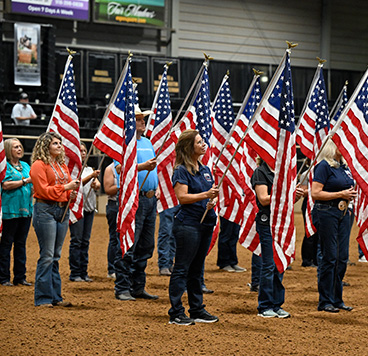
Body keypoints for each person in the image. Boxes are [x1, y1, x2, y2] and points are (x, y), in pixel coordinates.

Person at [168, 129, 219, 326]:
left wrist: (210, 201)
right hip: (188, 224)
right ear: (189, 147)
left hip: (204, 222)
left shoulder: (205, 170)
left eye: (202, 141)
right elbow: (182, 197)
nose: (203, 144)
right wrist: (205, 196)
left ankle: (197, 309)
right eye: (199, 142)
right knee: (182, 268)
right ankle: (176, 312)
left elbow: (203, 195)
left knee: (197, 269)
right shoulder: (181, 170)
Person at [114, 105, 159, 301]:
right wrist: (142, 166)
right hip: (134, 199)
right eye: (139, 119)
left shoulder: (148, 142)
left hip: (149, 199)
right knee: (129, 243)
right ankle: (122, 287)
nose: (143, 122)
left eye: (143, 119)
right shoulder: (123, 143)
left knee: (146, 245)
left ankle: (138, 286)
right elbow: (119, 168)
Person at [30, 132, 80, 307]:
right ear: (46, 146)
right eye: (55, 143)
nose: (59, 146)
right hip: (45, 209)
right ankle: (43, 298)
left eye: (60, 143)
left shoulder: (61, 165)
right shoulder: (38, 165)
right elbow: (42, 190)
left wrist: (69, 194)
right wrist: (66, 187)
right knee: (47, 255)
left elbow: (61, 189)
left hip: (61, 210)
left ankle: (55, 297)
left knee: (56, 255)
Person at [251, 158, 303, 318]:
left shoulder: (283, 173)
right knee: (269, 264)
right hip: (267, 221)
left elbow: (286, 202)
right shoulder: (261, 172)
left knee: (280, 263)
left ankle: (276, 304)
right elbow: (264, 199)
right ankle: (265, 305)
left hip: (282, 222)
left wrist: (295, 196)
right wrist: (288, 194)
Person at [311, 140, 356, 313]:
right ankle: (325, 300)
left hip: (343, 212)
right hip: (326, 212)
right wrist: (341, 194)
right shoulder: (323, 166)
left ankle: (337, 299)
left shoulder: (343, 166)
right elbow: (315, 193)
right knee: (329, 257)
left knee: (342, 257)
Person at [0, 138, 33, 286]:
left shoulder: (25, 165)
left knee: (21, 244)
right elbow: (5, 185)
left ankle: (20, 277)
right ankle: (3, 277)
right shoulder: (4, 167)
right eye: (15, 147)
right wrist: (25, 181)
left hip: (25, 210)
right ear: (8, 150)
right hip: (9, 211)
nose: (19, 149)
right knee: (6, 244)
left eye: (20, 146)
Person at [69, 142, 101, 282]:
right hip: (77, 209)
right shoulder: (73, 170)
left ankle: (84, 271)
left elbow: (98, 185)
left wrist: (96, 183)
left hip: (88, 208)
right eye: (80, 150)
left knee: (85, 241)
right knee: (77, 240)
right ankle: (75, 272)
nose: (82, 153)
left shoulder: (88, 169)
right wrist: (91, 177)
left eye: (84, 150)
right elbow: (76, 183)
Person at [103, 160, 121, 279]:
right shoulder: (110, 169)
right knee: (115, 237)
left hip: (126, 205)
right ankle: (112, 268)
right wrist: (123, 184)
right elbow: (108, 189)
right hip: (114, 205)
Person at [157, 206, 179, 276]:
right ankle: (164, 264)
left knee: (174, 233)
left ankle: (169, 262)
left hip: (178, 201)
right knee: (166, 232)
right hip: (167, 200)